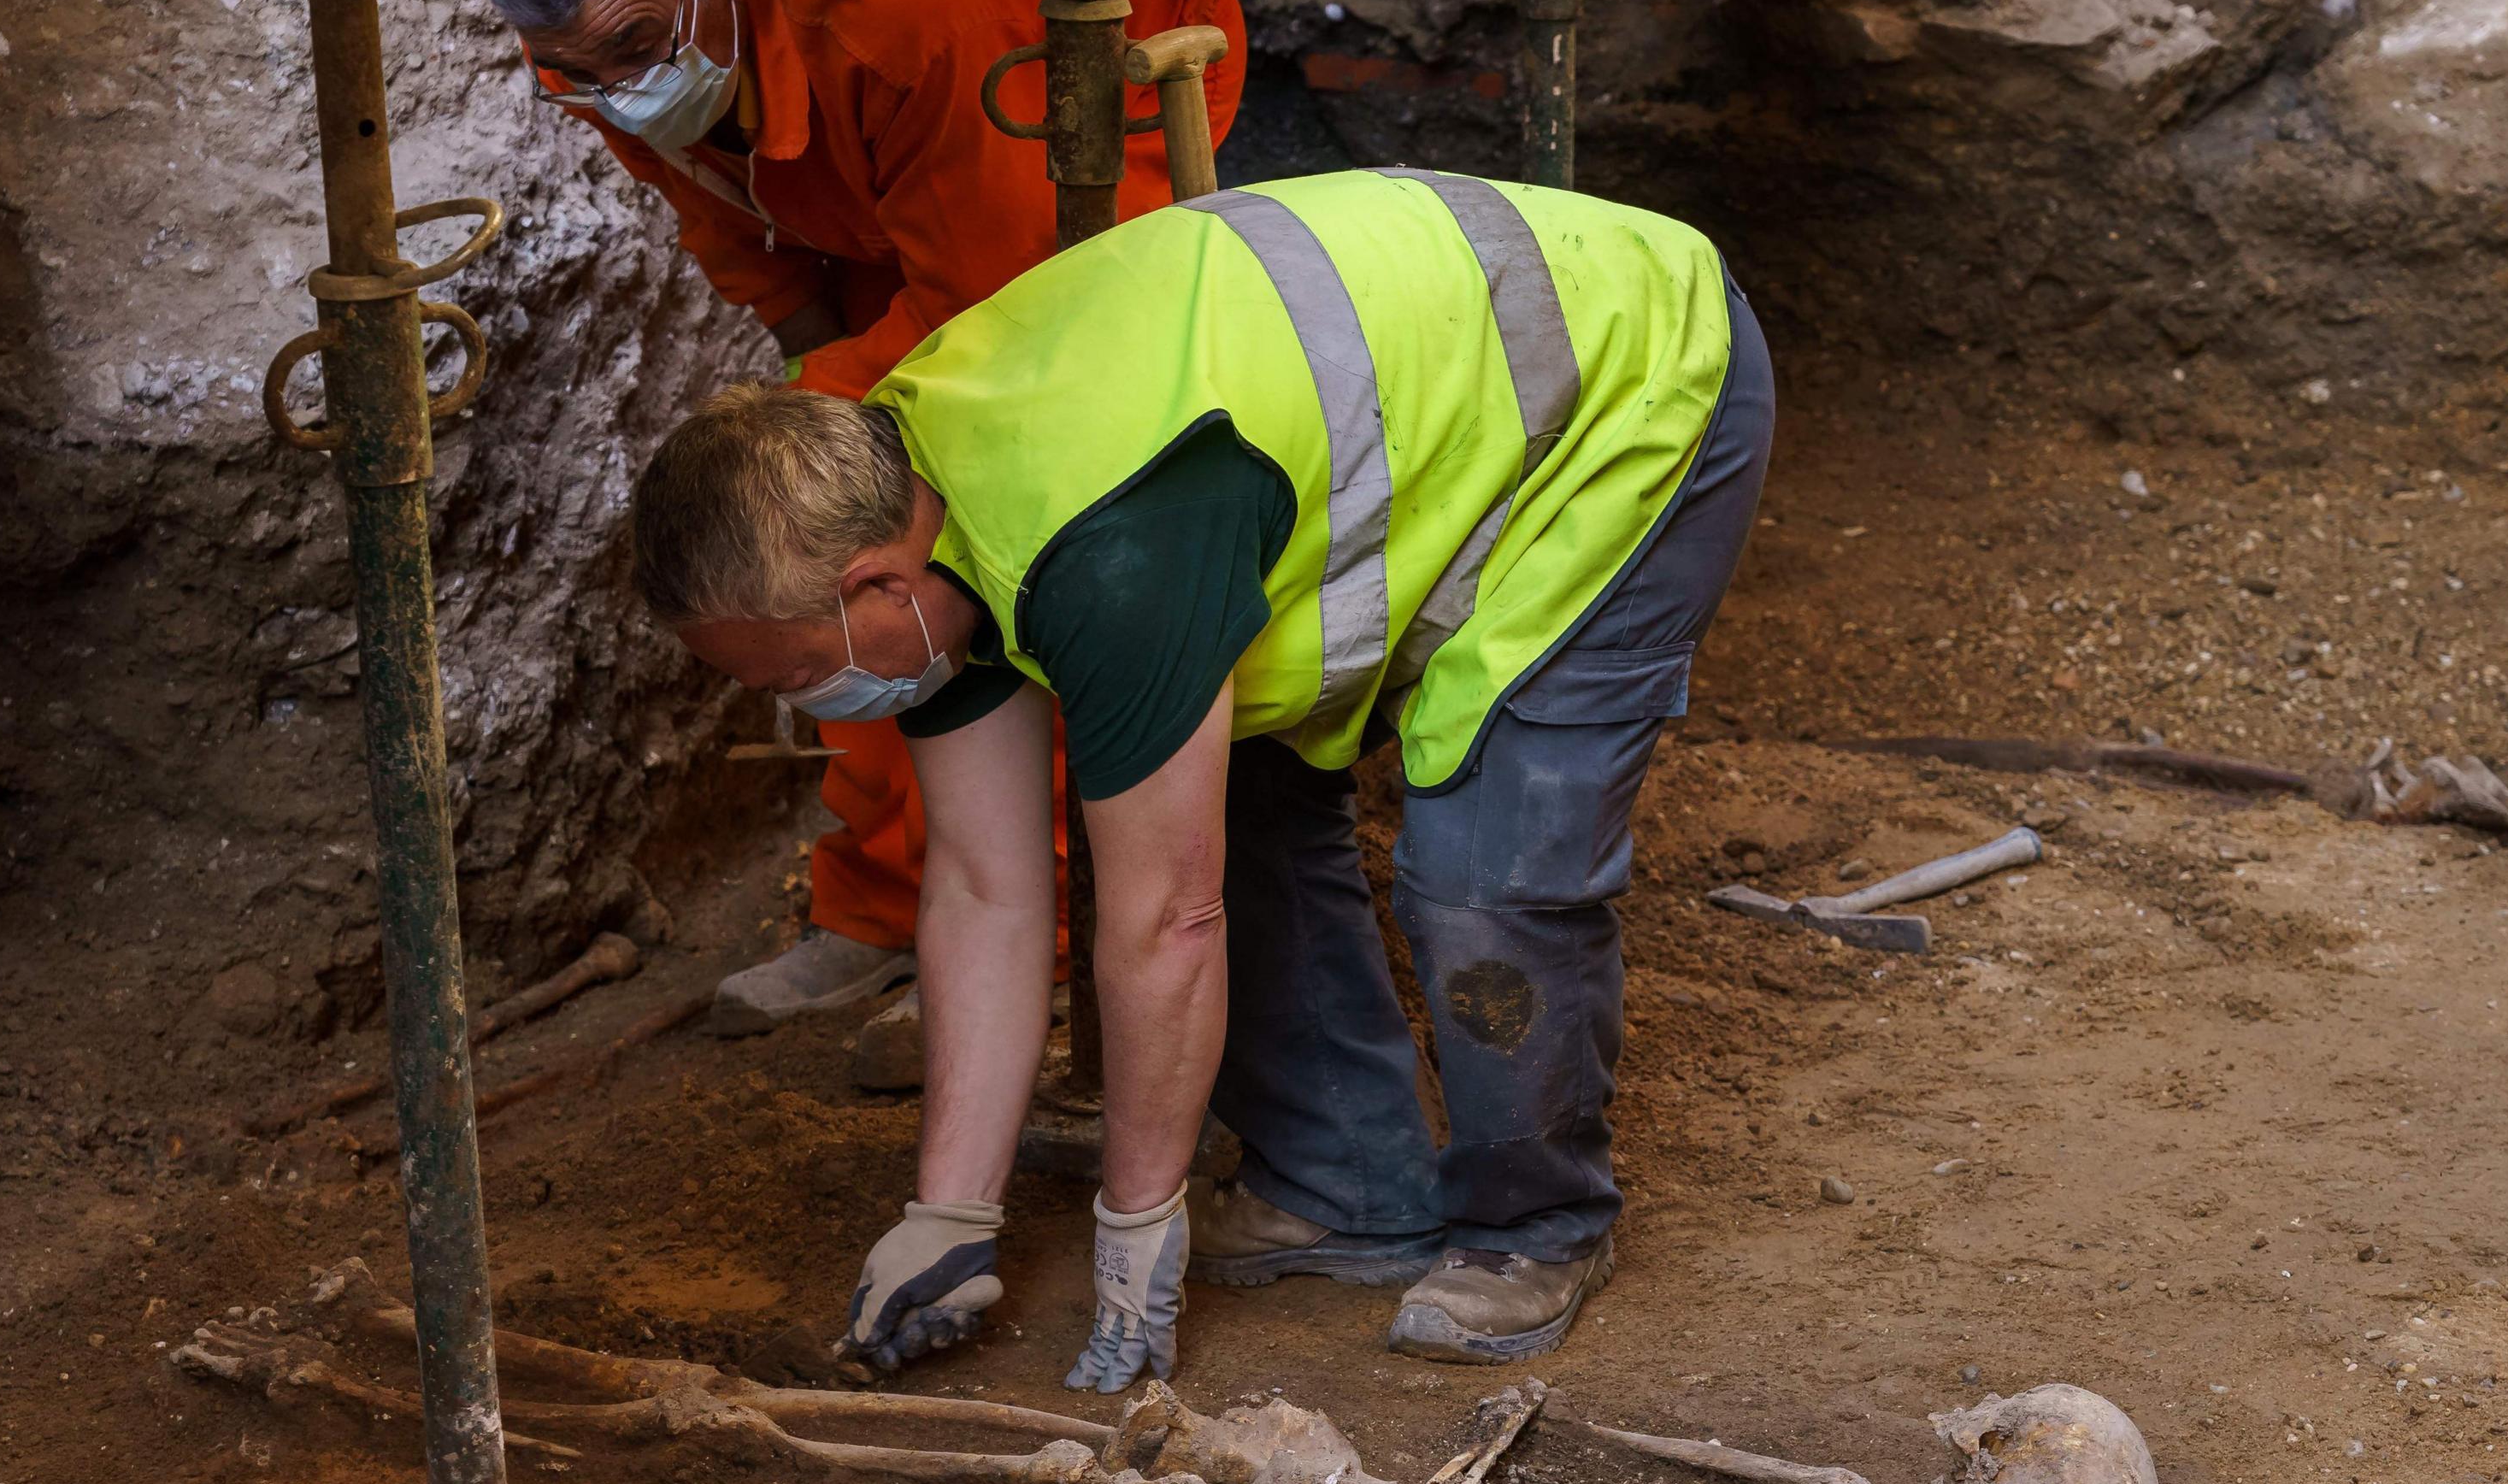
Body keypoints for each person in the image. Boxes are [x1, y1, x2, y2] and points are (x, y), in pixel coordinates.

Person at [625, 168, 1774, 1389]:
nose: (795, 704)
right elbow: (982, 886)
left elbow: (1167, 924)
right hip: (1405, 398)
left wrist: (1136, 1230)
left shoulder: (1104, 551)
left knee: (1486, 864)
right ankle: (1345, 1190)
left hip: (1625, 379)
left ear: (871, 590)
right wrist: (948, 1219)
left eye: (791, 673)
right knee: (1223, 810)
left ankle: (1536, 1227)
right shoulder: (913, 517)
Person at [479, 0, 1244, 1046]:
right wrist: (817, 398)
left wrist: (829, 414)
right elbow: (732, 219)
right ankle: (894, 905)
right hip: (870, 159)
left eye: (634, 51)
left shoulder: (906, 14)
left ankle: (1058, 932)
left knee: (1016, 519)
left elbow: (1005, 305)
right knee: (838, 546)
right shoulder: (606, 47)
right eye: (577, 79)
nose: (613, 97)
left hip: (1049, 119)